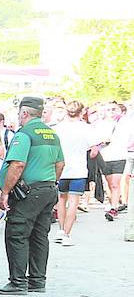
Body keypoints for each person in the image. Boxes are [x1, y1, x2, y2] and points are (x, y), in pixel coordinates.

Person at [0, 96, 63, 295]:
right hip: (48, 189)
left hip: (28, 192)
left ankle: (17, 282)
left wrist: (5, 192)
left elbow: (17, 164)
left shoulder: (24, 134)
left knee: (17, 234)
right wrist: (51, 183)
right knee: (40, 236)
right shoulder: (52, 134)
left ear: (24, 113)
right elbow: (60, 164)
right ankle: (37, 280)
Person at [52, 101, 94, 244]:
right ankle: (67, 234)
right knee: (73, 202)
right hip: (79, 169)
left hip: (61, 168)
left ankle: (60, 229)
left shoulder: (58, 128)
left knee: (61, 200)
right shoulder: (87, 128)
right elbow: (93, 150)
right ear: (81, 112)